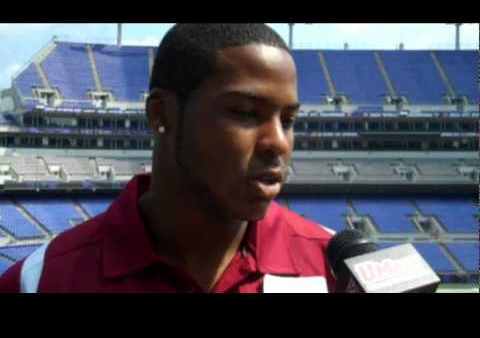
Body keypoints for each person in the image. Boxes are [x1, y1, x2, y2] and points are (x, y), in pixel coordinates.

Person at [0, 24, 335, 293]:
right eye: (246, 113)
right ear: (163, 114)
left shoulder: (339, 270)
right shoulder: (40, 281)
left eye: (288, 120)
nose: (278, 142)